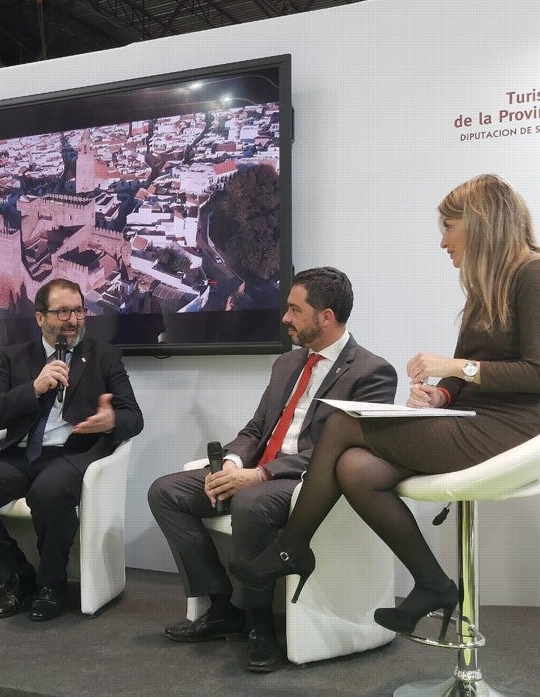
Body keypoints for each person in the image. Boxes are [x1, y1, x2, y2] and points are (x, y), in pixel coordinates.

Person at [231, 174, 540, 642]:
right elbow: (470, 375)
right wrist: (442, 393)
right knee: (355, 467)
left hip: (514, 426)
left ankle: (293, 546)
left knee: (341, 423)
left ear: (480, 225)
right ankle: (433, 583)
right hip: (475, 417)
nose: (443, 241)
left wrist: (453, 366)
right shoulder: (486, 287)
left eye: (449, 227)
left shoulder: (539, 276)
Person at [148, 267, 397, 672]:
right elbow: (256, 429)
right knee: (166, 491)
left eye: (295, 310)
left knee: (250, 502)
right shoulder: (286, 364)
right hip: (256, 474)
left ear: (326, 317)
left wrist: (260, 475)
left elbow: (345, 451)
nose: (285, 318)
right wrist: (231, 462)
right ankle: (221, 605)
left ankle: (257, 623)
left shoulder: (372, 372)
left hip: (307, 484)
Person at [0, 278, 143, 622]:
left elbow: (134, 418)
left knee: (48, 491)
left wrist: (111, 421)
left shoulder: (103, 356)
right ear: (40, 317)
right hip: (19, 454)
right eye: (62, 311)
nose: (73, 319)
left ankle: (52, 584)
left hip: (71, 454)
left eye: (79, 310)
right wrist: (33, 388)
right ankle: (17, 575)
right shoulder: (15, 357)